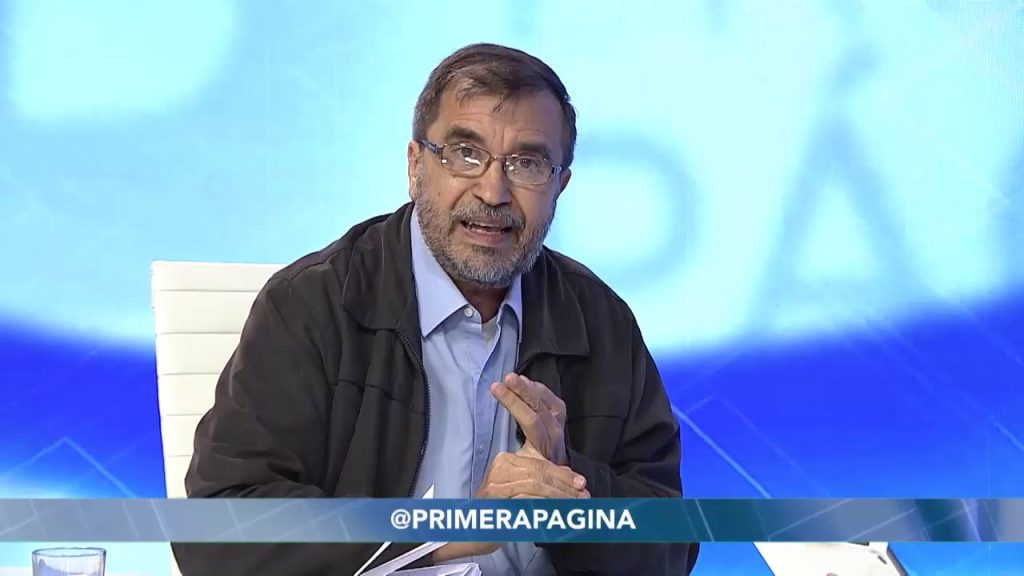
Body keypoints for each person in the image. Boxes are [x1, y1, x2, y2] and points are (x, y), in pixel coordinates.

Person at [172, 43, 698, 575]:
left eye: (527, 163)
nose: (493, 191)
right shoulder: (311, 305)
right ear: (415, 166)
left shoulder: (602, 323)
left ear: (559, 186)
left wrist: (572, 492)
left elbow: (674, 547)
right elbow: (218, 530)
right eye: (465, 153)